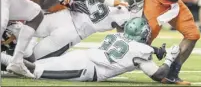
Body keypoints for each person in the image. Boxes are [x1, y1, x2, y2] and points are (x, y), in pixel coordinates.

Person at [4, 0, 144, 61]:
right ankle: (7, 56)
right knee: (33, 59)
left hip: (65, 15)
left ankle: (10, 32)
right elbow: (123, 35)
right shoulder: (124, 15)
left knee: (26, 27)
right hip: (72, 33)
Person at [1, 17, 180, 83]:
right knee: (35, 71)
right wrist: (170, 58)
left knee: (36, 65)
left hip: (83, 56)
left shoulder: (118, 36)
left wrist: (155, 50)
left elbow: (134, 47)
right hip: (88, 69)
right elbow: (159, 76)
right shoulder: (141, 53)